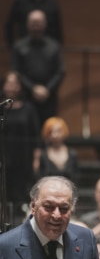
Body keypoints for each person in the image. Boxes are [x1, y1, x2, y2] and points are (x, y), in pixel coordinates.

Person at [0, 70, 42, 224]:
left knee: (21, 194)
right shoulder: (1, 107)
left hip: (24, 158)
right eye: (8, 83)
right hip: (4, 158)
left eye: (15, 83)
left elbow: (36, 135)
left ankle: (19, 224)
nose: (11, 86)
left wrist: (36, 158)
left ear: (20, 86)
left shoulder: (29, 109)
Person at [11, 9, 65, 125]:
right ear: (27, 25)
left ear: (45, 24)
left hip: (49, 98)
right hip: (25, 97)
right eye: (33, 24)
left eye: (39, 23)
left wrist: (47, 89)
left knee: (48, 129)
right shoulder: (19, 46)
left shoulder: (54, 46)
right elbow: (16, 71)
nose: (36, 27)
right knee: (27, 130)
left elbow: (60, 71)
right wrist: (32, 88)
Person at [35, 116, 78, 180]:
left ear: (64, 132)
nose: (55, 135)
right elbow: (40, 179)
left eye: (59, 131)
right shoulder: (43, 155)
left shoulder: (72, 154)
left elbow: (76, 177)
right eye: (51, 132)